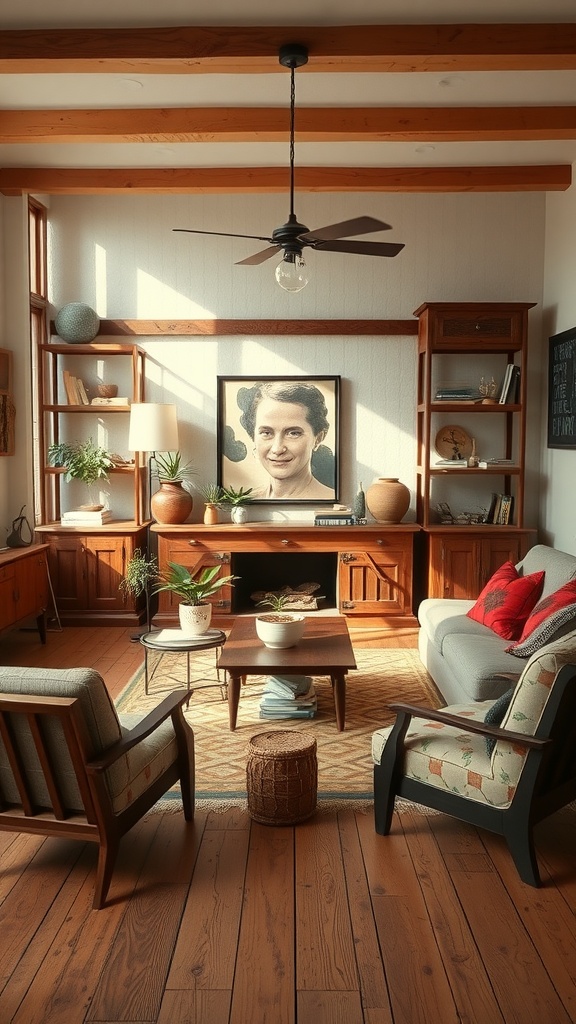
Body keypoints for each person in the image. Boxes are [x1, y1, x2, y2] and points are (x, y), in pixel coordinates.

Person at [239, 381, 335, 500]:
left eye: (293, 433)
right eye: (266, 433)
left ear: (318, 438)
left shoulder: (330, 499)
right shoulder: (248, 501)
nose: (277, 449)